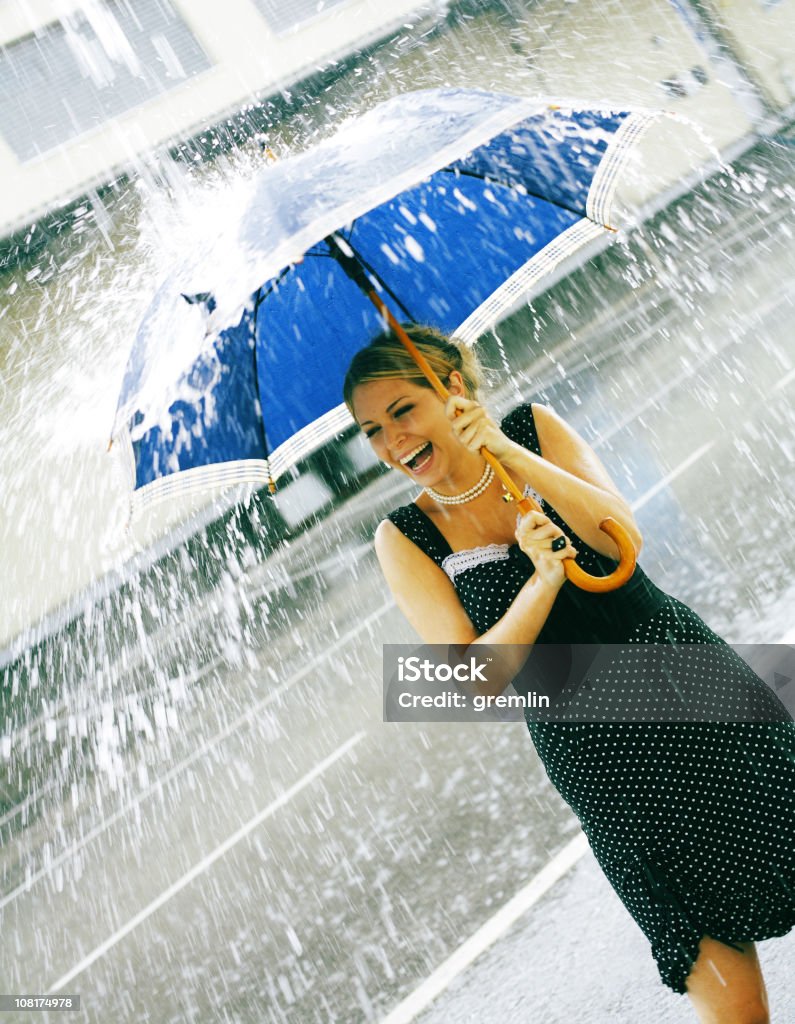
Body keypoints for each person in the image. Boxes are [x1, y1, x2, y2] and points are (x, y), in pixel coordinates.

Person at [343, 323, 795, 1024]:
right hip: (601, 757)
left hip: (687, 684)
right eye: (371, 430)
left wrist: (505, 452)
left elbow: (621, 536)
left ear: (450, 388)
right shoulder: (405, 537)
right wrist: (540, 581)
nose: (393, 442)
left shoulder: (532, 430)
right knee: (733, 1005)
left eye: (403, 410)